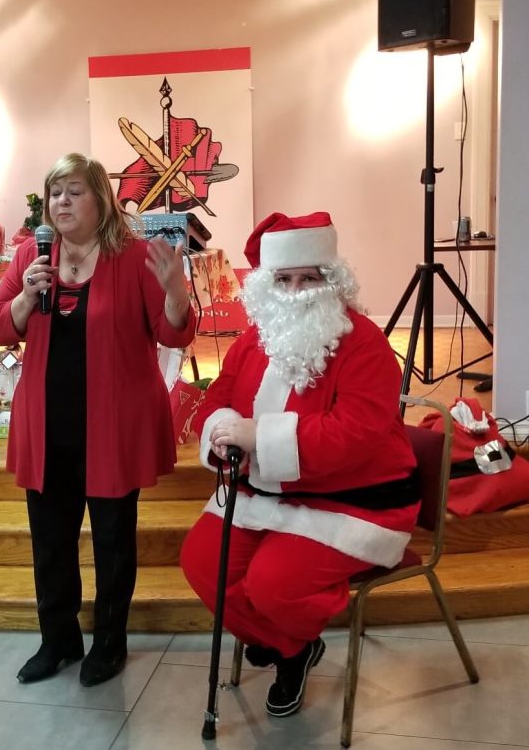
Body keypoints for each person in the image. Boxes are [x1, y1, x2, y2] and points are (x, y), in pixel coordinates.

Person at [180, 211, 420, 718]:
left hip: (356, 498)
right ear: (267, 286)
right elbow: (219, 395)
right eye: (283, 280)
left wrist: (260, 438)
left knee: (274, 584)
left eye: (308, 278)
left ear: (331, 280)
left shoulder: (365, 343)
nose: (294, 292)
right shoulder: (255, 338)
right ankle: (294, 645)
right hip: (269, 490)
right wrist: (222, 429)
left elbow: (355, 433)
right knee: (202, 563)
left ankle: (288, 652)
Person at [0, 153, 195, 686]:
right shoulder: (30, 256)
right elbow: (0, 327)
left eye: (75, 191)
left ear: (101, 199)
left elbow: (172, 332)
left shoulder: (134, 257)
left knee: (112, 541)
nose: (62, 201)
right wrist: (25, 297)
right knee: (50, 541)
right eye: (55, 192)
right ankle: (58, 641)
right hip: (47, 424)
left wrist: (176, 292)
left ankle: (109, 643)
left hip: (113, 425)